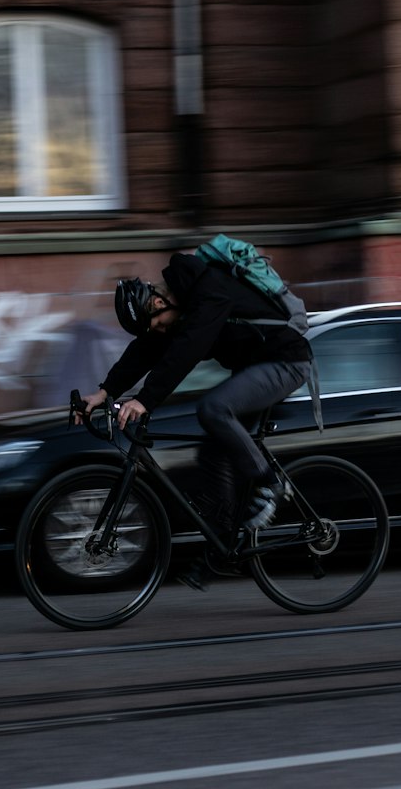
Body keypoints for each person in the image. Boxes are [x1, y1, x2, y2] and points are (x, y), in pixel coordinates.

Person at [78, 252, 314, 587]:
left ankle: (270, 483)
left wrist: (146, 399)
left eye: (158, 322)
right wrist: (105, 392)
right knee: (212, 453)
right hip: (253, 368)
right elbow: (146, 349)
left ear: (160, 300)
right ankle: (222, 551)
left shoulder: (208, 291)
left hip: (286, 363)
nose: (160, 329)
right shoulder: (179, 309)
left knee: (213, 409)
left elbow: (188, 349)